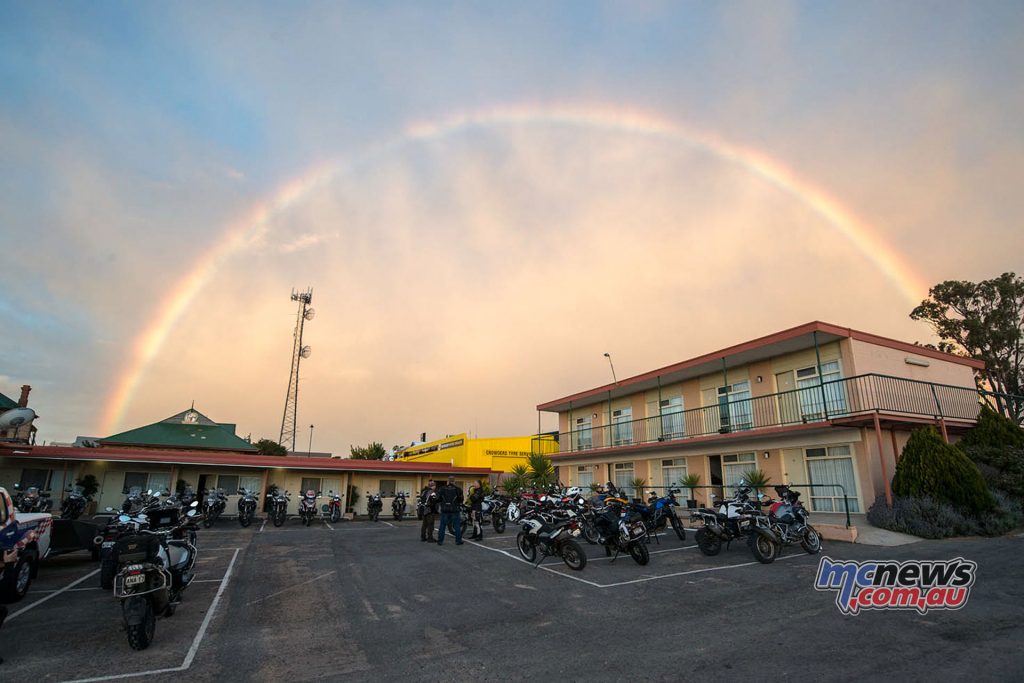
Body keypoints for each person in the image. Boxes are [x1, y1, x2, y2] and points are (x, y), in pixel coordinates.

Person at [436, 475, 464, 546]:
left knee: (442, 526)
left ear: (447, 481)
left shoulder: (442, 489)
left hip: (445, 510)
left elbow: (438, 499)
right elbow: (461, 499)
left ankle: (440, 541)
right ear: (454, 481)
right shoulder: (458, 489)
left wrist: (442, 503)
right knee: (457, 526)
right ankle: (458, 541)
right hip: (454, 510)